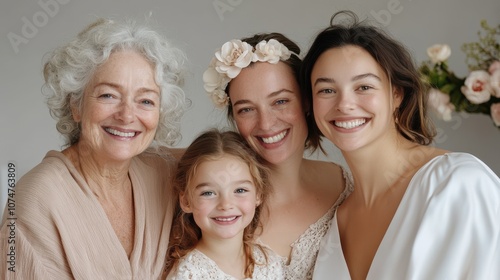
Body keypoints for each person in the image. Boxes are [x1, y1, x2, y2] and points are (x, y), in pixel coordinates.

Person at [300, 10, 500, 280]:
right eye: (326, 90)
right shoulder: (337, 219)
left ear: (396, 94)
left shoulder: (457, 185)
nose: (344, 104)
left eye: (364, 87)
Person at [0, 17, 188, 279]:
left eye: (145, 100)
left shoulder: (163, 173)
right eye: (108, 95)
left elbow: (234, 162)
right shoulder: (36, 199)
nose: (126, 115)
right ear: (76, 105)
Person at [203, 33, 352, 279]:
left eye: (280, 101)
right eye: (247, 109)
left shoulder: (343, 185)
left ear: (306, 100)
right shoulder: (220, 204)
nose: (267, 123)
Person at [165, 129, 284, 279]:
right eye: (208, 193)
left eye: (240, 190)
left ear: (258, 194)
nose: (226, 204)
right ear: (186, 201)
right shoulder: (188, 274)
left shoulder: (267, 261)